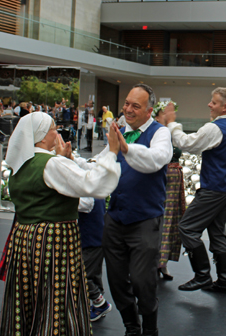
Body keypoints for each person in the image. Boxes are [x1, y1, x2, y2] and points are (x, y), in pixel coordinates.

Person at [0, 112, 121, 336]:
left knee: (29, 294)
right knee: (55, 295)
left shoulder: (19, 167)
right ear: (42, 136)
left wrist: (65, 160)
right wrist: (112, 153)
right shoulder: (51, 164)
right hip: (53, 241)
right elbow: (92, 186)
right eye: (54, 128)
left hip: (24, 240)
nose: (57, 133)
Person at [73, 84, 172, 336]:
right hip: (115, 218)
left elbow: (155, 160)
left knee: (142, 280)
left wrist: (125, 148)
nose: (127, 109)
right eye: (127, 103)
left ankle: (150, 328)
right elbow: (102, 163)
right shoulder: (120, 131)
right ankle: (131, 327)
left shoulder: (160, 134)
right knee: (117, 281)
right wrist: (72, 161)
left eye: (135, 106)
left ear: (149, 110)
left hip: (145, 219)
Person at [165, 87, 226, 293]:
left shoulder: (215, 128)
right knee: (217, 233)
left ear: (224, 106)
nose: (209, 104)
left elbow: (187, 144)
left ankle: (202, 275)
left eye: (214, 102)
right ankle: (224, 280)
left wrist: (172, 122)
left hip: (214, 189)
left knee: (187, 228)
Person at [152, 101, 185, 280]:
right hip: (159, 175)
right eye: (165, 112)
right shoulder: (155, 131)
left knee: (170, 219)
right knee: (155, 219)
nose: (169, 115)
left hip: (173, 177)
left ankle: (163, 261)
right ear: (157, 115)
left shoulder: (171, 131)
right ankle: (153, 260)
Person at [77, 197, 113, 322]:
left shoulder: (89, 193)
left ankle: (100, 303)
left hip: (90, 239)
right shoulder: (97, 190)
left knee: (81, 274)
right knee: (94, 273)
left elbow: (83, 204)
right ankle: (97, 306)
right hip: (97, 237)